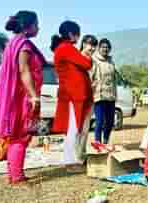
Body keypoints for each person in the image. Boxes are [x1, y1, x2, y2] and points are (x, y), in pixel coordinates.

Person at [0, 10, 46, 184]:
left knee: (15, 134)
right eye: (36, 24)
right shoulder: (23, 45)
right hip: (22, 97)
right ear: (28, 26)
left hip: (15, 96)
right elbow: (24, 71)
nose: (38, 28)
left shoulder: (12, 43)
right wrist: (34, 96)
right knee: (21, 134)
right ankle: (16, 176)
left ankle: (14, 173)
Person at [50, 21, 93, 166]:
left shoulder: (65, 49)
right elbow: (87, 64)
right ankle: (70, 160)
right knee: (73, 129)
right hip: (72, 95)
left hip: (75, 94)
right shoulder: (66, 48)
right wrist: (87, 53)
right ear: (70, 34)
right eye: (77, 33)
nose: (79, 36)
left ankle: (76, 158)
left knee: (75, 128)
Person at [89, 38, 118, 145]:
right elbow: (90, 77)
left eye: (107, 47)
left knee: (110, 122)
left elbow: (114, 79)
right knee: (99, 121)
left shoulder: (111, 62)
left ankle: (105, 142)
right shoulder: (94, 60)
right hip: (99, 96)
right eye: (103, 47)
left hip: (110, 96)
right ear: (99, 48)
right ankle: (97, 143)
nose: (105, 49)